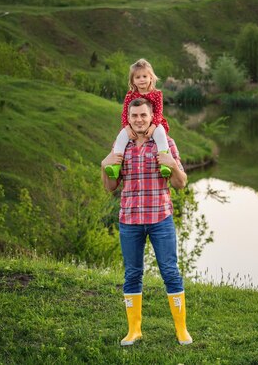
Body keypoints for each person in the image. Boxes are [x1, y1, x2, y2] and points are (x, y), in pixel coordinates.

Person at [101, 97, 192, 346]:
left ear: (152, 117)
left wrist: (172, 164)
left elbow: (180, 183)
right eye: (135, 116)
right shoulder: (123, 147)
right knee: (132, 274)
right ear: (128, 118)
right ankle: (134, 330)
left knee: (170, 272)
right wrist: (103, 166)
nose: (139, 120)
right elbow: (110, 187)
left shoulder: (165, 143)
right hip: (130, 220)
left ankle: (181, 330)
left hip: (160, 218)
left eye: (143, 115)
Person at [104, 58, 172, 180]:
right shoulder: (130, 96)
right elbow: (125, 114)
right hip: (133, 125)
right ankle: (115, 166)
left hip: (155, 123)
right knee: (121, 137)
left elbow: (158, 113)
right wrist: (127, 128)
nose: (141, 80)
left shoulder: (157, 94)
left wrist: (152, 127)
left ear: (151, 77)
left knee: (161, 135)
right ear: (133, 81)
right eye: (138, 77)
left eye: (144, 76)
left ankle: (164, 165)